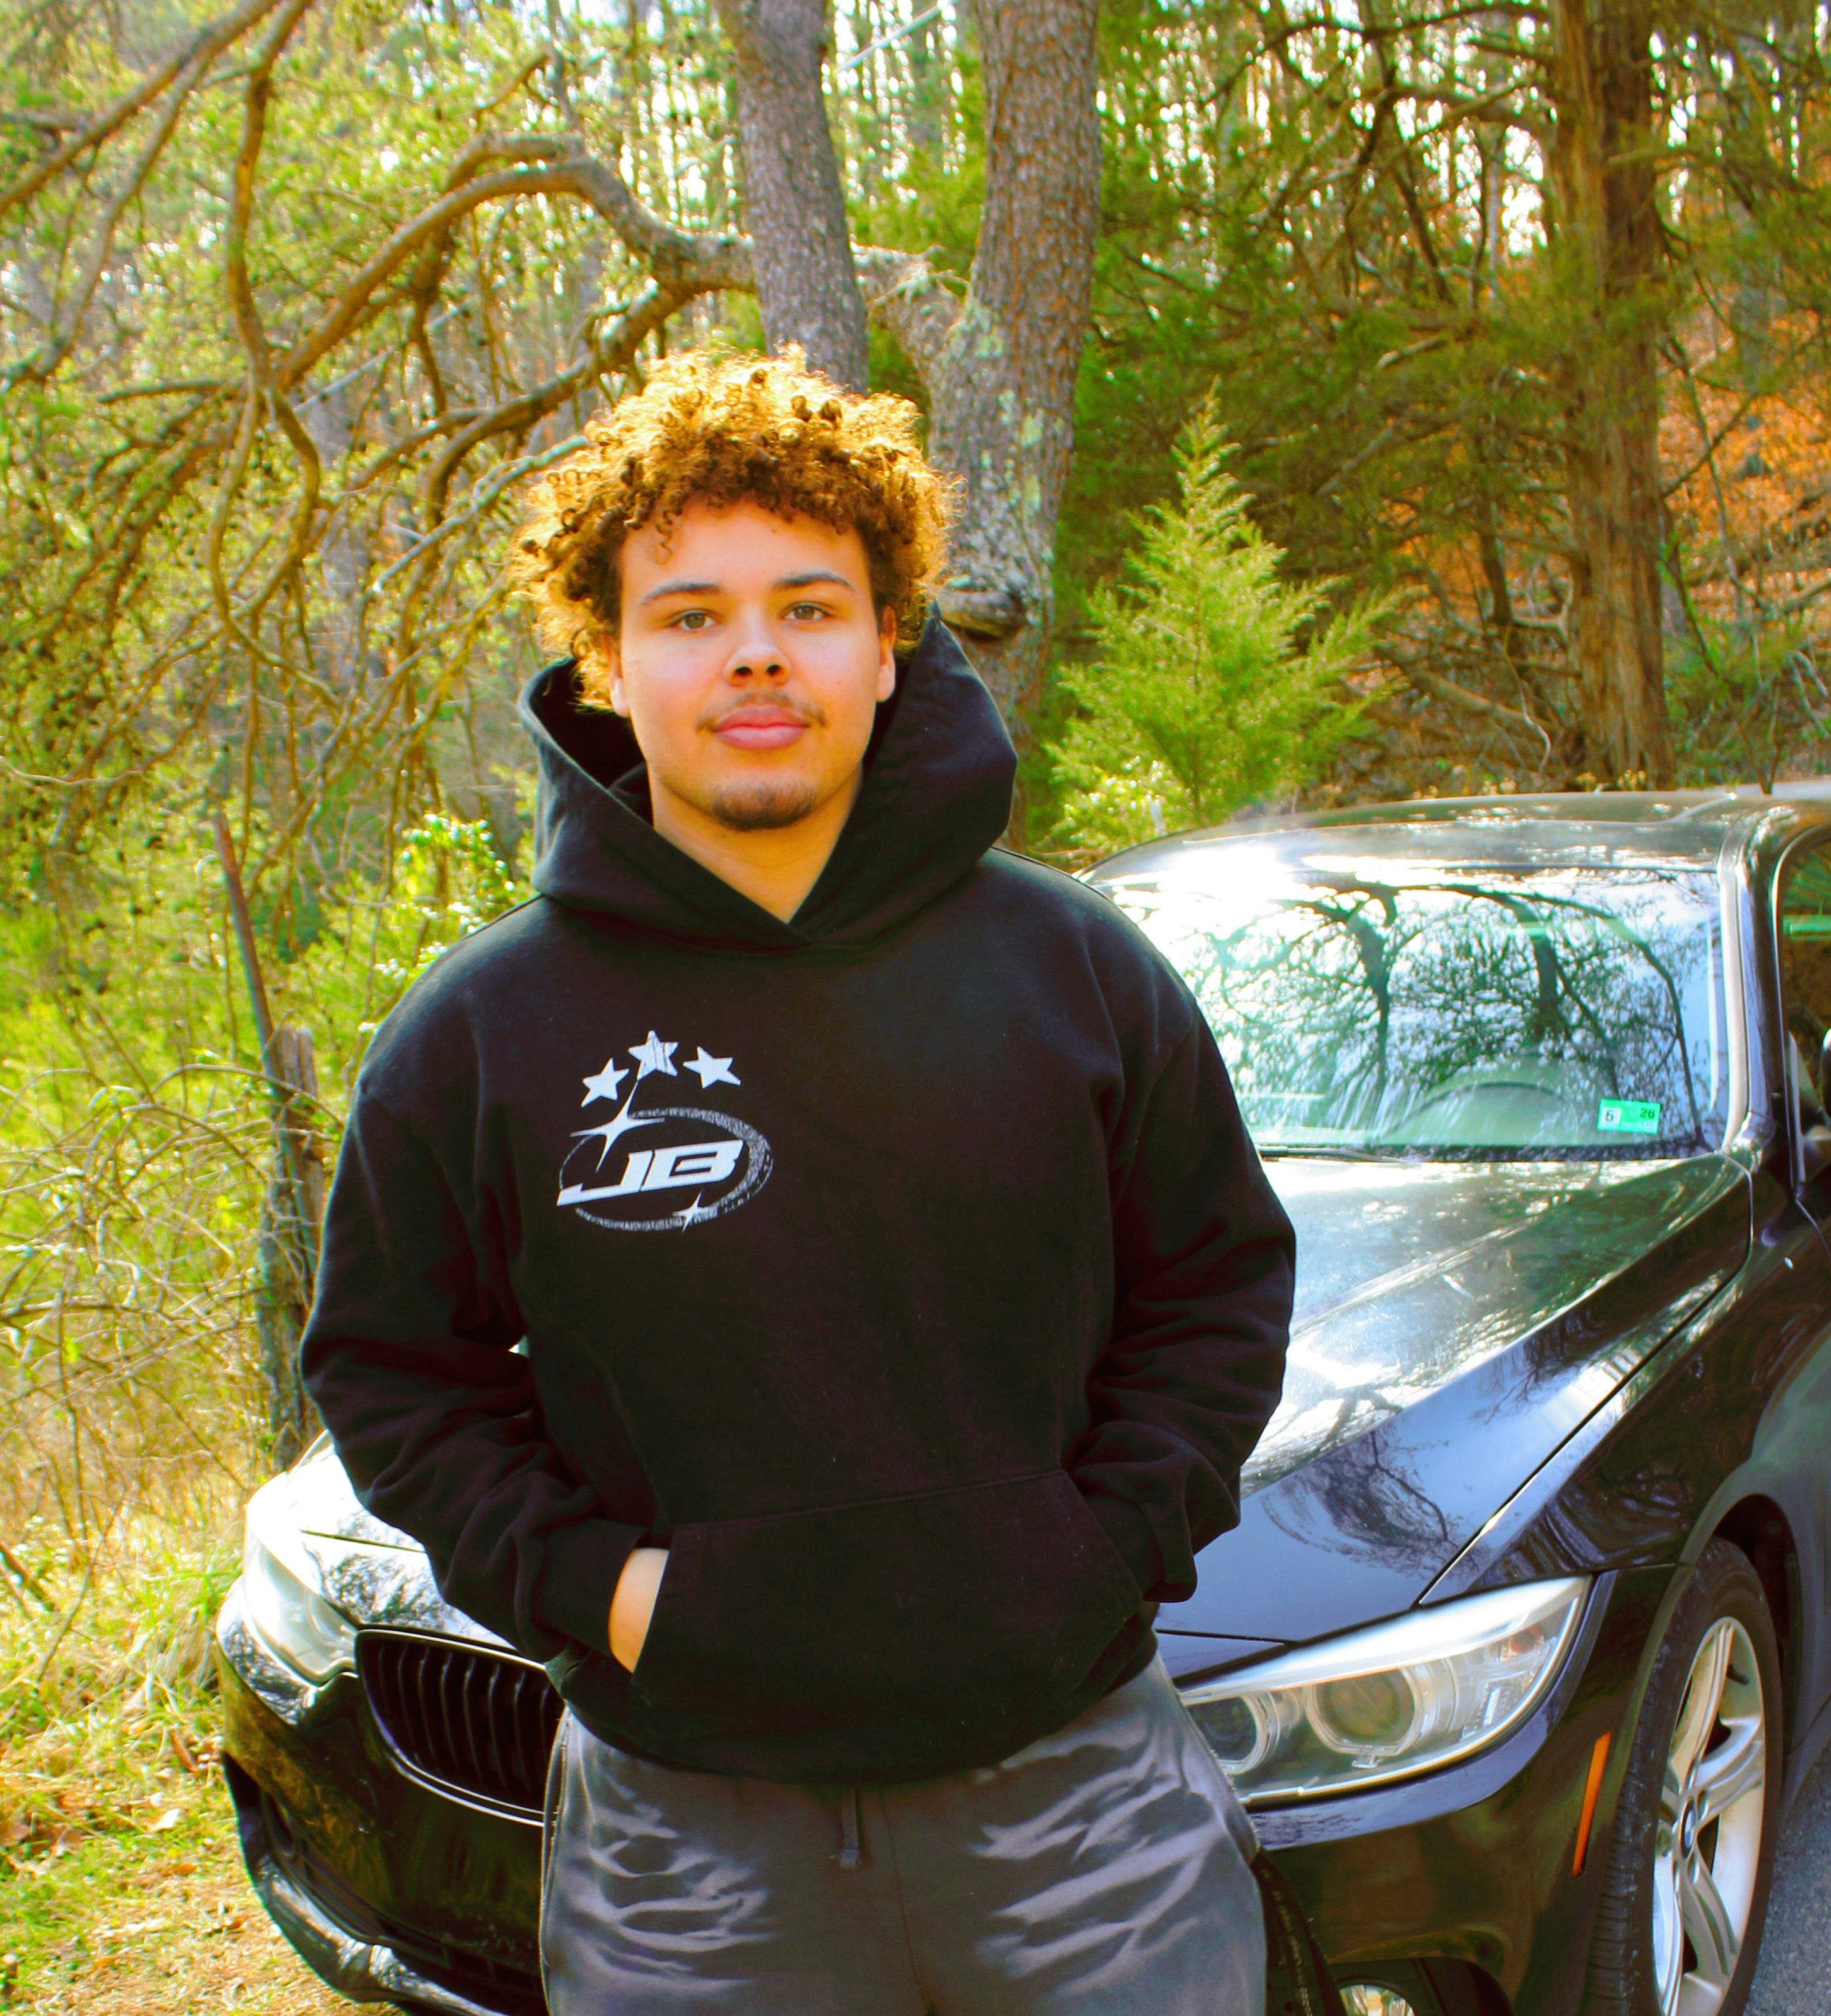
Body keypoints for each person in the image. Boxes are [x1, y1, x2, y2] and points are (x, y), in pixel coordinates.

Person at [300, 347, 1296, 2015]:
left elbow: (1214, 1288)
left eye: (807, 603)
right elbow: (392, 1371)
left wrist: (1099, 1544)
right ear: (608, 661)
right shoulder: (479, 1037)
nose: (754, 649)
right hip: (691, 1847)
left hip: (1084, 1808)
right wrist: (608, 1593)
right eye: (689, 613)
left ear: (887, 642)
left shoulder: (1075, 971)